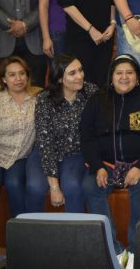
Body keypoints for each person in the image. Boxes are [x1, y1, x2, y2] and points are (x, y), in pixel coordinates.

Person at [81, 54, 140, 264]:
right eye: (119, 73)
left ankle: (135, 251)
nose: (124, 77)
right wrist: (97, 167)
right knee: (90, 186)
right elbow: (86, 136)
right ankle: (114, 249)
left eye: (129, 73)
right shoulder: (97, 100)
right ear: (111, 77)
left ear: (137, 76)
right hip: (106, 166)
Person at [0, 56, 44, 263]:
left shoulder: (38, 97)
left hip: (20, 158)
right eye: (12, 75)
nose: (18, 79)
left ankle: (20, 247)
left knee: (14, 185)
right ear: (3, 79)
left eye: (22, 73)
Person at [34, 54, 98, 213]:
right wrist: (54, 186)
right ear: (59, 79)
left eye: (80, 70)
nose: (80, 76)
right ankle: (30, 232)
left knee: (72, 186)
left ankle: (75, 235)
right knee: (34, 187)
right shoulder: (44, 99)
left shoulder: (91, 91)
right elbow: (45, 141)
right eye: (72, 73)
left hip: (77, 153)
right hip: (48, 151)